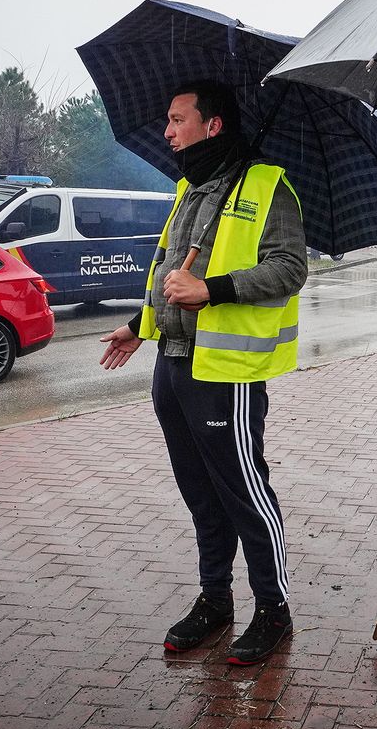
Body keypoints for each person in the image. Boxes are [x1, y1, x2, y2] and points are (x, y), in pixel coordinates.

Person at [98, 79, 307, 666]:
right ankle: (215, 599)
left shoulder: (266, 186)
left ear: (213, 125)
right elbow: (168, 271)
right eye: (166, 120)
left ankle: (273, 609)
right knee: (200, 494)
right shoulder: (189, 189)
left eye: (177, 119)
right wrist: (140, 326)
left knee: (245, 493)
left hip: (226, 369)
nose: (167, 131)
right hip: (172, 364)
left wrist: (212, 290)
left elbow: (290, 268)